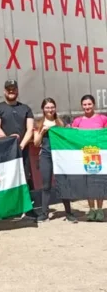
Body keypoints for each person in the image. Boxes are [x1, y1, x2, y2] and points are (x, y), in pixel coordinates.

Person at [0, 79, 36, 219]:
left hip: (23, 149)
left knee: (26, 177)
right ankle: (7, 210)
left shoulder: (26, 109)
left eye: (13, 89)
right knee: (6, 178)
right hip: (5, 152)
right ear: (5, 91)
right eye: (8, 89)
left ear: (17, 91)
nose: (11, 91)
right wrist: (9, 143)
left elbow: (30, 129)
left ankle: (28, 208)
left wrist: (21, 145)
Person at [33, 98, 77, 223]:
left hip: (60, 157)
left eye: (52, 107)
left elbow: (67, 138)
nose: (50, 110)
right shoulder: (39, 123)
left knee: (63, 183)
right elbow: (36, 143)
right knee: (46, 185)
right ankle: (44, 213)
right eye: (47, 107)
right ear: (43, 109)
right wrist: (42, 132)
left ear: (55, 108)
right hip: (46, 156)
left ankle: (69, 212)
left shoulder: (60, 122)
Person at [71, 94, 107, 222]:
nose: (87, 107)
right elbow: (72, 137)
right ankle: (91, 210)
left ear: (94, 104)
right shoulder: (77, 121)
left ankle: (100, 210)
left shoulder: (103, 119)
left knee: (99, 183)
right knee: (88, 184)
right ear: (82, 106)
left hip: (99, 156)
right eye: (84, 104)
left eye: (89, 104)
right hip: (84, 157)